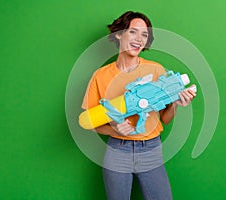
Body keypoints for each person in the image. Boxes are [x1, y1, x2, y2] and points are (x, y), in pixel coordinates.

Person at [81, 11, 196, 200]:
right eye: (133, 32)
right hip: (117, 151)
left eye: (144, 35)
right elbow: (90, 121)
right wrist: (115, 130)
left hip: (151, 150)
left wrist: (175, 104)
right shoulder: (100, 76)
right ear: (118, 34)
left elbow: (165, 120)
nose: (139, 39)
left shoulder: (156, 70)